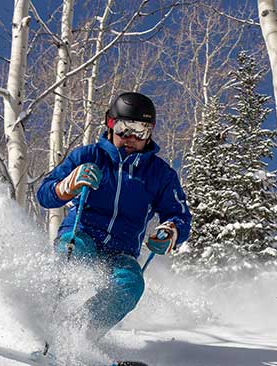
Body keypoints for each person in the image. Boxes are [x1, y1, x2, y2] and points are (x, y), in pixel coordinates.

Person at [36, 92, 192, 341]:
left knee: (130, 284)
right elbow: (44, 195)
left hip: (122, 251)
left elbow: (179, 215)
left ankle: (79, 336)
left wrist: (170, 231)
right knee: (75, 255)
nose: (131, 138)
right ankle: (46, 323)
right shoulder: (87, 156)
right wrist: (68, 185)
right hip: (81, 234)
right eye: (124, 128)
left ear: (150, 132)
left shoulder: (160, 175)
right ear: (110, 124)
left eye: (141, 130)